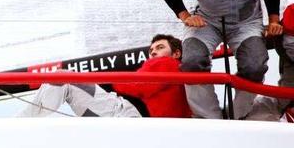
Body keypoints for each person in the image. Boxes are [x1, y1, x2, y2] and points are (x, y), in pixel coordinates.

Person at [158, 0, 282, 119]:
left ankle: (239, 116)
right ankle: (210, 119)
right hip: (207, 22)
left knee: (254, 65)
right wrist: (185, 16)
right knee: (192, 62)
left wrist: (274, 20)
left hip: (246, 24)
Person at [18, 35, 188, 118]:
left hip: (125, 114)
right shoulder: (182, 74)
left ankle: (19, 124)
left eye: (159, 47)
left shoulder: (167, 63)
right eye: (151, 51)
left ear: (177, 53)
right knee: (66, 79)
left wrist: (109, 81)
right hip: (126, 116)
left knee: (63, 78)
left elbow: (134, 85)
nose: (154, 53)